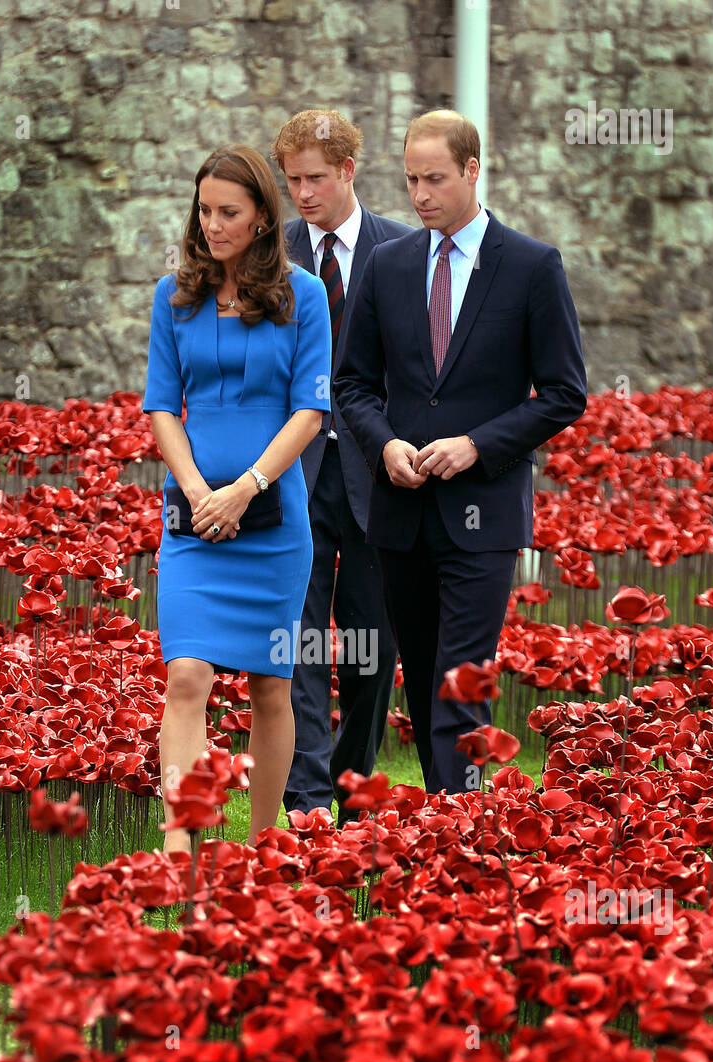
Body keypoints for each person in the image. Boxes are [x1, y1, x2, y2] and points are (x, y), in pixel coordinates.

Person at [333, 109, 587, 795]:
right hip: (400, 511)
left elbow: (564, 392)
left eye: (435, 179)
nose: (419, 194)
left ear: (472, 171)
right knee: (422, 683)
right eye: (411, 178)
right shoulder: (384, 266)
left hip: (484, 515)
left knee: (459, 682)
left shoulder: (532, 267)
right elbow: (350, 383)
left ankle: (457, 832)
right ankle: (454, 831)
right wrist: (383, 445)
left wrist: (476, 444)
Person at [142, 144, 332, 851]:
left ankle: (258, 848)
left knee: (269, 687)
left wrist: (245, 489)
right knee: (187, 673)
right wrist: (198, 492)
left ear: (259, 219)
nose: (212, 223)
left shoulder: (302, 296)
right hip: (191, 518)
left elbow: (310, 411)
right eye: (204, 210)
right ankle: (177, 849)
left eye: (228, 212)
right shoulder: (174, 297)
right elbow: (163, 406)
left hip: (274, 522)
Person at [271, 110, 411, 826]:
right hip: (290, 474)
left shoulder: (404, 249)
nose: (301, 192)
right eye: (291, 179)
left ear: (348, 171)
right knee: (296, 640)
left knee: (370, 645)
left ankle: (355, 789)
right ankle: (304, 795)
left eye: (315, 178)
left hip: (374, 474)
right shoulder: (270, 255)